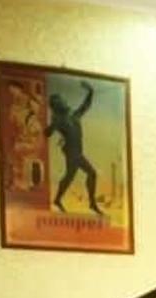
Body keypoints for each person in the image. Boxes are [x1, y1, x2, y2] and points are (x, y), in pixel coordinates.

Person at [46, 81, 103, 215]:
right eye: (61, 101)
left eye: (63, 100)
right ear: (57, 106)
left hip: (76, 151)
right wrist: (55, 128)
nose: (65, 102)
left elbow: (85, 106)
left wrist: (90, 92)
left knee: (69, 176)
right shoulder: (59, 119)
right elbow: (47, 133)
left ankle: (57, 200)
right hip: (73, 153)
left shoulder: (73, 115)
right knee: (91, 173)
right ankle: (92, 203)